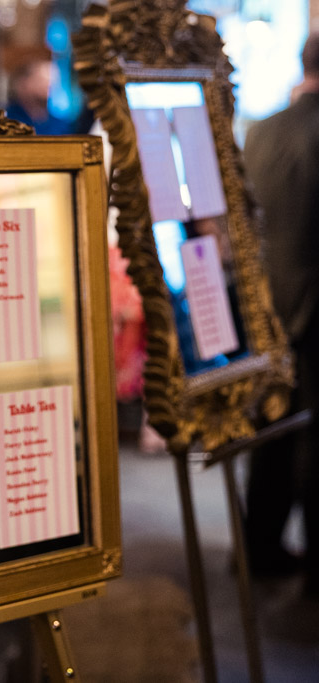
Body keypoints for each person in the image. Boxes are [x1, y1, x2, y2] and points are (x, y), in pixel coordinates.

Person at [242, 32, 319, 591]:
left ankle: (260, 547)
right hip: (316, 308)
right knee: (314, 438)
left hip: (265, 301)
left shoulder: (261, 131)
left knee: (270, 425)